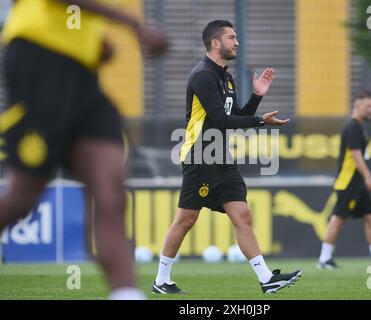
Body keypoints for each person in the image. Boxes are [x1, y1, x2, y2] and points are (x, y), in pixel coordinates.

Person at [0, 0, 168, 299]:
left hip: (84, 75)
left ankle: (127, 294)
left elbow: (76, 16)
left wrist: (95, 43)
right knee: (22, 197)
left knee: (111, 193)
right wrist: (133, 24)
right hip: (39, 56)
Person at [152, 20, 301, 295]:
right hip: (200, 155)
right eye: (232, 37)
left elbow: (236, 116)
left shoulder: (226, 77)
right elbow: (220, 120)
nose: (237, 42)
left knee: (242, 214)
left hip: (220, 156)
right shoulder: (203, 75)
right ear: (215, 43)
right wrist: (259, 122)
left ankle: (267, 279)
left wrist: (257, 97)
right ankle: (161, 279)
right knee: (186, 219)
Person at [317, 91, 371, 269]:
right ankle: (324, 259)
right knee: (338, 219)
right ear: (357, 105)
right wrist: (369, 177)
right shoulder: (353, 127)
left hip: (357, 182)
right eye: (369, 106)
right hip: (348, 182)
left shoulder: (358, 126)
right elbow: (356, 155)